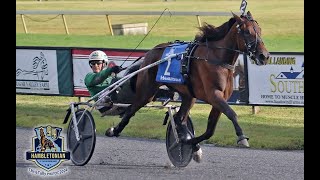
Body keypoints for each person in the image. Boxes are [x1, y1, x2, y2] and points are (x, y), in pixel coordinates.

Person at [84, 50, 121, 114]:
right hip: (102, 105)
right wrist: (110, 70)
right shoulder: (89, 77)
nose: (95, 65)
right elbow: (99, 78)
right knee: (114, 83)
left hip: (116, 102)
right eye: (93, 63)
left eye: (98, 63)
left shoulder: (110, 76)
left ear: (104, 64)